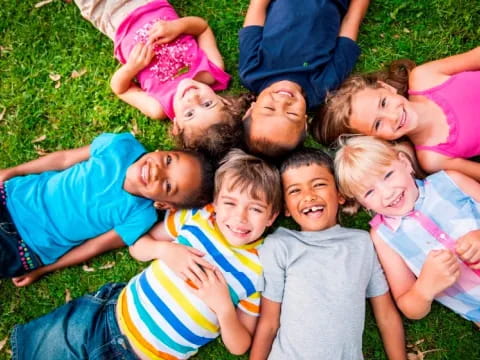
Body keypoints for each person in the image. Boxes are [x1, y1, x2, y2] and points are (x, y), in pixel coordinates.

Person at [11, 148, 283, 360]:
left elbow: (240, 346)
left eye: (256, 209)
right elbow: (137, 246)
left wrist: (224, 308)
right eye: (230, 203)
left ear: (272, 217)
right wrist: (164, 250)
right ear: (215, 202)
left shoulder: (258, 270)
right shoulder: (197, 220)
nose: (240, 217)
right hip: (107, 316)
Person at [249, 148, 406, 360]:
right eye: (295, 191)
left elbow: (385, 315)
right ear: (286, 208)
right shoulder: (280, 245)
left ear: (340, 195)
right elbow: (268, 322)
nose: (309, 196)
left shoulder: (362, 244)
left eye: (319, 184)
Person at [0, 132, 213, 287]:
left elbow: (94, 247)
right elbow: (64, 159)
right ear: (161, 151)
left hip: (27, 247)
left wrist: (43, 270)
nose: (158, 171)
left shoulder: (140, 216)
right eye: (168, 160)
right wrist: (14, 171)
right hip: (13, 198)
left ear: (164, 205)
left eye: (168, 185)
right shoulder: (121, 145)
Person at [74, 0, 251, 158]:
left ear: (177, 126)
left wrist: (132, 68)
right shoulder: (212, 71)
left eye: (189, 114)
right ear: (224, 101)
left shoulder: (158, 106)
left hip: (114, 18)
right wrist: (178, 26)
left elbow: (120, 88)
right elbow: (202, 28)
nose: (193, 98)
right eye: (207, 104)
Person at [334, 135, 480, 323]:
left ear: (404, 163)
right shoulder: (383, 236)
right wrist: (425, 288)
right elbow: (410, 307)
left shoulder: (451, 181)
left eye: (388, 175)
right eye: (369, 192)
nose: (387, 193)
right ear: (363, 203)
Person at [314, 47, 480, 180]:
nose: (393, 117)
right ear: (377, 141)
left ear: (387, 88)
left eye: (384, 103)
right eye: (378, 124)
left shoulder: (424, 77)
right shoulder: (433, 158)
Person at [238, 0, 370, 159]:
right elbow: (349, 31)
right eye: (292, 114)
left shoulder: (251, 71)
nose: (283, 102)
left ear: (250, 111)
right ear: (305, 123)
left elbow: (255, 16)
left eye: (269, 109)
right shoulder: (322, 87)